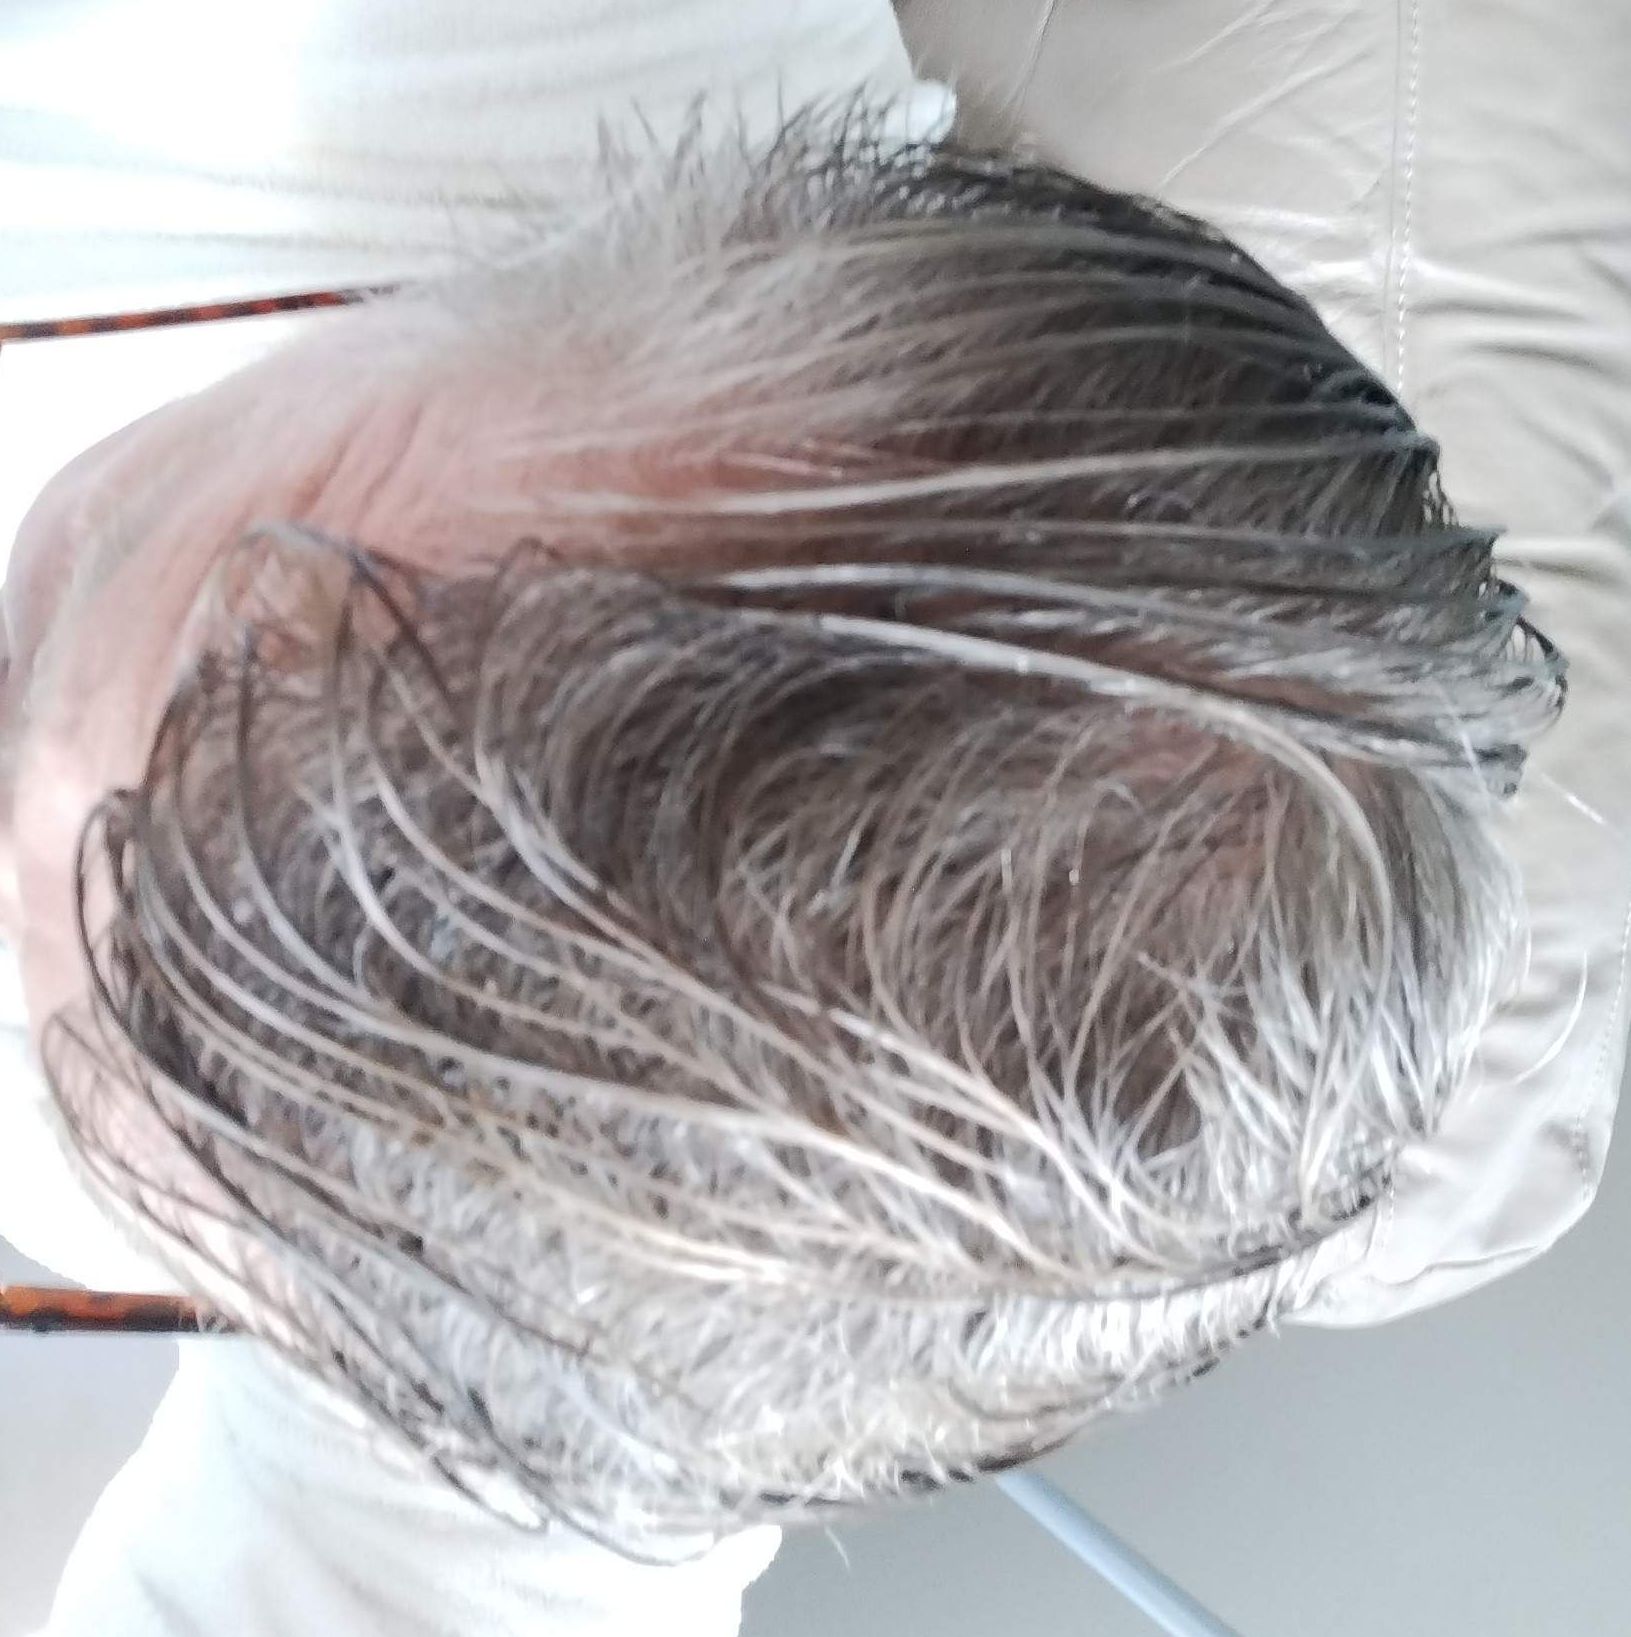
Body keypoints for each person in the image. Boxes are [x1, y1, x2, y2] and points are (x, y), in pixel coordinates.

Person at [0, 3, 1623, 1634]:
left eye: (141, 1062)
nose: (33, 784)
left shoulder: (577, 1335)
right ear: (667, 223)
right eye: (160, 573)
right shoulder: (469, 59)